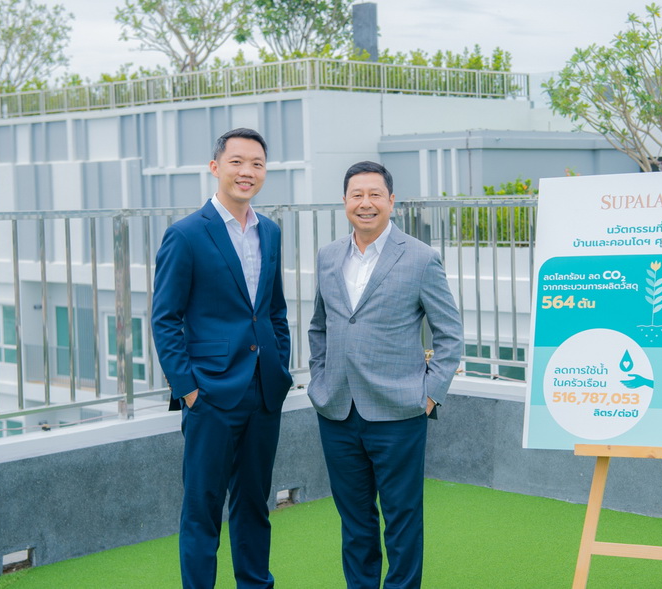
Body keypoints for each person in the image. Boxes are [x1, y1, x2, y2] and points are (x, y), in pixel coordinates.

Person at [308, 161, 463, 589]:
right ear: (344, 201)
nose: (366, 203)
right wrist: (319, 381)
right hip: (337, 410)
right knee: (355, 521)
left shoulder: (421, 257)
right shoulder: (328, 256)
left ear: (391, 201)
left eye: (375, 194)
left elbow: (450, 334)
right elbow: (319, 327)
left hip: (399, 411)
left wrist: (429, 394)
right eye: (357, 195)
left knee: (402, 519)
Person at [151, 128, 292, 589]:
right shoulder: (186, 234)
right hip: (209, 394)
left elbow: (273, 310)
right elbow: (165, 319)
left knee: (254, 505)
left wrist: (279, 368)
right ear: (216, 167)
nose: (247, 171)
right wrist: (188, 390)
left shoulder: (270, 231)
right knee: (203, 510)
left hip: (264, 391)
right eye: (237, 162)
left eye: (257, 164)